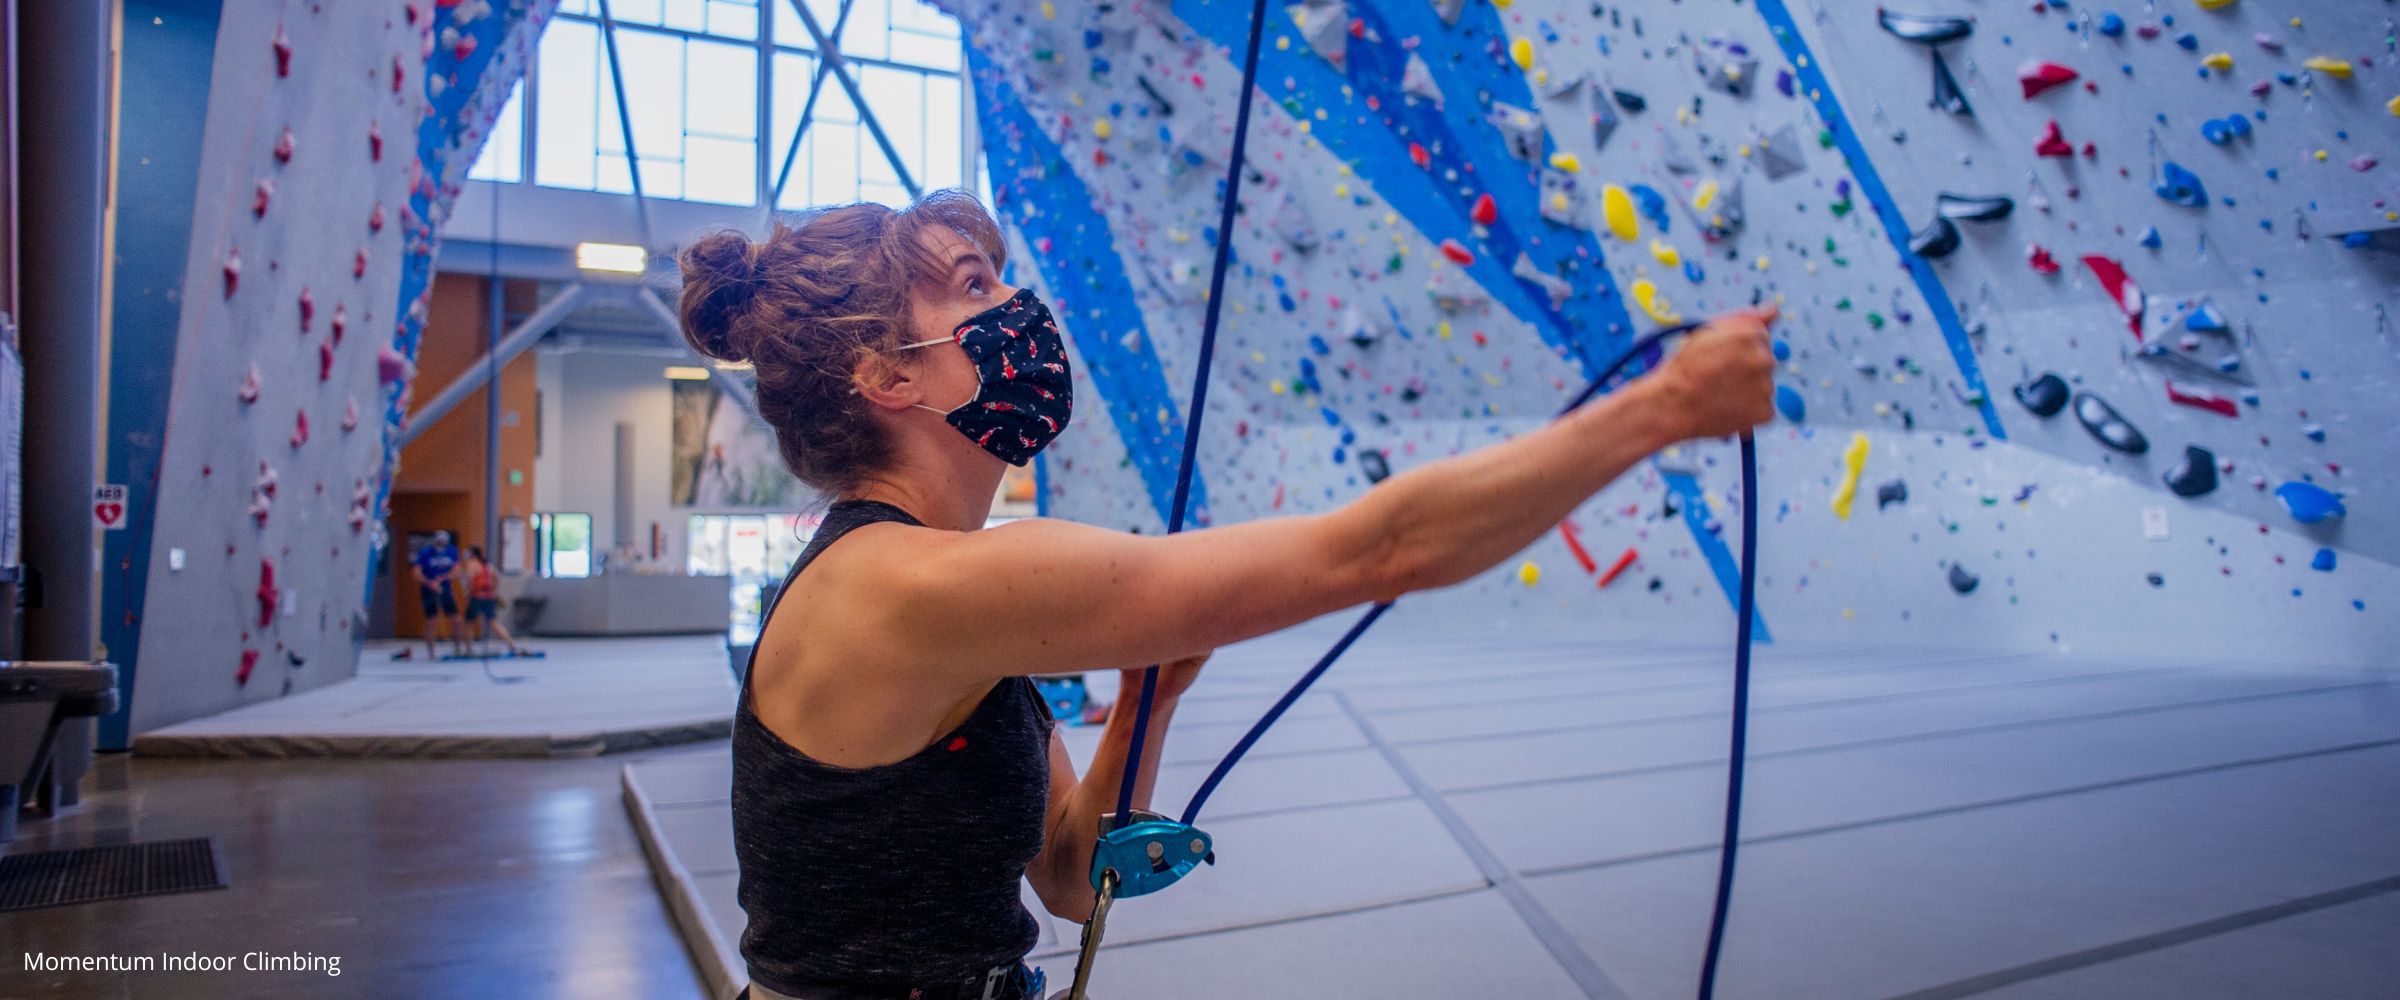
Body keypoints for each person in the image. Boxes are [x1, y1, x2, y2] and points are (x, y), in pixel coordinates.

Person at [677, 189, 1775, 1000]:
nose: (1019, 304)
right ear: (888, 374)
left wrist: (1150, 697)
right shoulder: (907, 583)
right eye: (974, 285)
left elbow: (1065, 872)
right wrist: (1663, 410)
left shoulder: (949, 583)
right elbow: (1381, 550)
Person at [403, 530, 465, 661]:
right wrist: (429, 582)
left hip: (445, 589)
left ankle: (457, 647)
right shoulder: (426, 552)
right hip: (429, 589)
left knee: (456, 619)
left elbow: (457, 571)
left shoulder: (452, 551)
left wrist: (444, 578)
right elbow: (416, 573)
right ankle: (431, 652)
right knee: (432, 620)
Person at [459, 545, 528, 657]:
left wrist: (468, 594)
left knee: (468, 623)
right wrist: (494, 591)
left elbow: (469, 580)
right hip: (488, 596)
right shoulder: (487, 565)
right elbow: (497, 578)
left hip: (477, 596)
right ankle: (511, 645)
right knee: (493, 622)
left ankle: (469, 649)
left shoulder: (472, 564)